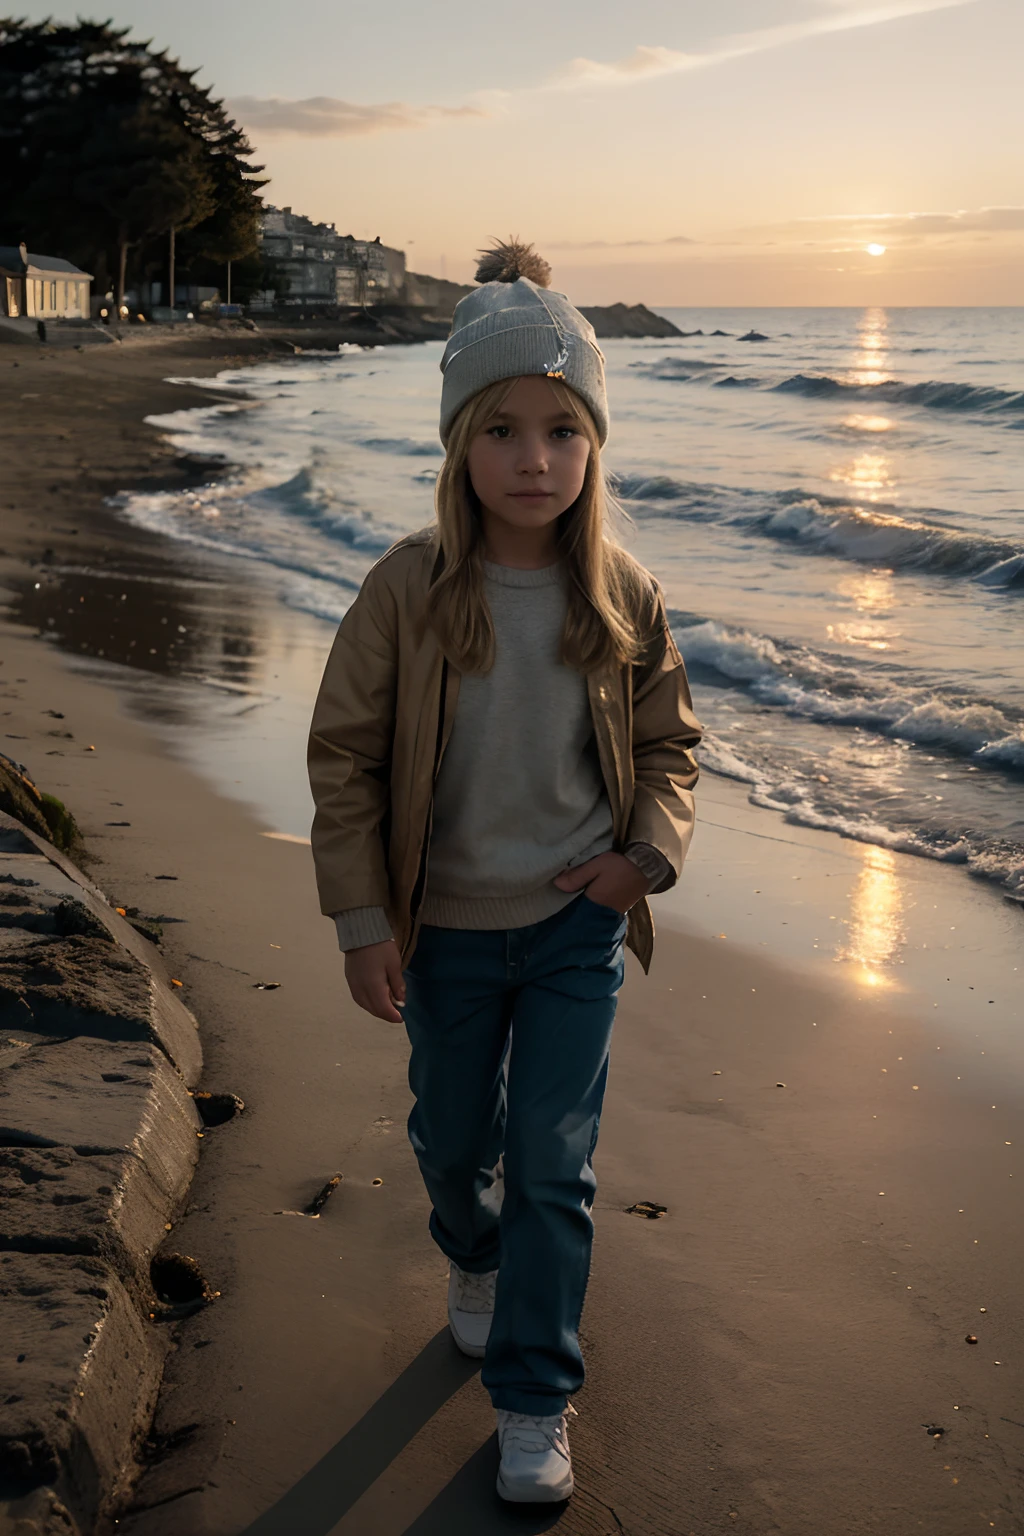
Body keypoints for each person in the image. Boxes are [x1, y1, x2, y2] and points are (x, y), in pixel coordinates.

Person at [308, 239, 702, 1505]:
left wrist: (644, 855)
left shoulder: (623, 593)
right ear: (457, 446)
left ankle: (535, 1397)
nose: (534, 460)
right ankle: (466, 1256)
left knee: (551, 1162)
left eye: (561, 431)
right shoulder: (407, 593)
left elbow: (667, 747)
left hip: (575, 925)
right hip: (447, 935)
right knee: (450, 1142)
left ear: (592, 447)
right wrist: (364, 919)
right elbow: (345, 760)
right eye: (502, 431)